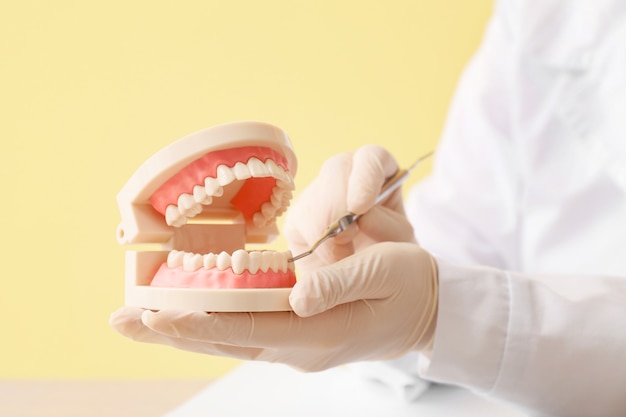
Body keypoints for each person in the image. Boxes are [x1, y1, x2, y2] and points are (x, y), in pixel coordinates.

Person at [110, 0, 626, 415]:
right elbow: (470, 236)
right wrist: (374, 265)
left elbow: (456, 305)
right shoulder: (548, 17)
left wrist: (440, 312)